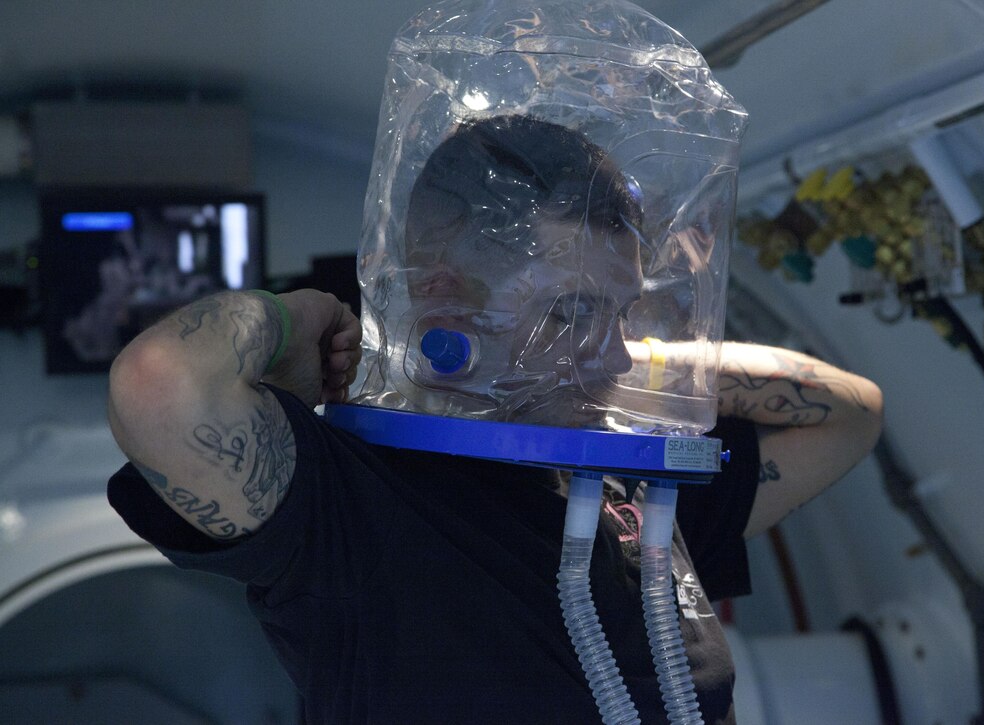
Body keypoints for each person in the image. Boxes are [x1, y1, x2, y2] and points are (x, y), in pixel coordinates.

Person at [106, 112, 882, 724]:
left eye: (621, 314)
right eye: (570, 311)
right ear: (446, 298)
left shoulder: (636, 490)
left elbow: (851, 415)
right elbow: (159, 384)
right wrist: (292, 316)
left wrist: (622, 349)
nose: (614, 358)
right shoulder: (352, 500)